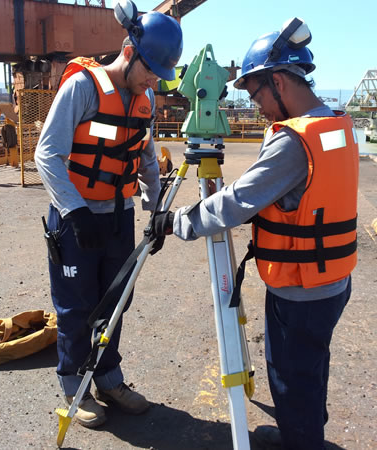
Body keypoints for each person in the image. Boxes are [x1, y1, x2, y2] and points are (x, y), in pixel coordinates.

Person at [152, 18, 359, 450]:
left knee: (290, 377)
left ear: (279, 81)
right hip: (334, 278)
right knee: (310, 367)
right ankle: (305, 431)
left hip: (301, 289)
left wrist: (176, 222)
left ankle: (302, 440)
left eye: (256, 93)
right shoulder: (336, 125)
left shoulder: (292, 142)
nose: (256, 105)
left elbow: (236, 203)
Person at [35, 2, 183, 429]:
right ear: (129, 51)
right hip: (76, 218)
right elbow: (48, 154)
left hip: (119, 217)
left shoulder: (146, 97)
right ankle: (71, 386)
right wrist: (74, 210)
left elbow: (148, 161)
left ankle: (109, 378)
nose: (155, 80)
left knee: (115, 303)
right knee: (77, 307)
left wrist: (156, 211)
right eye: (151, 69)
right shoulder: (82, 87)